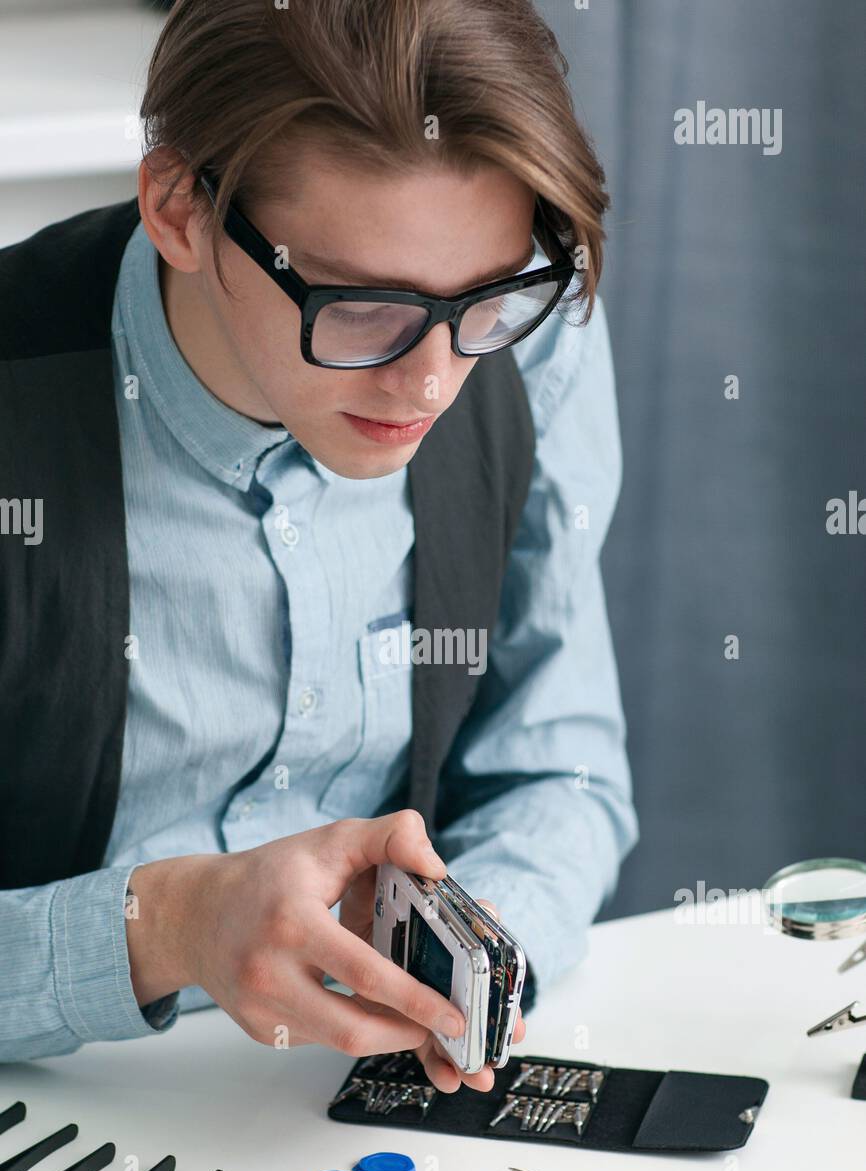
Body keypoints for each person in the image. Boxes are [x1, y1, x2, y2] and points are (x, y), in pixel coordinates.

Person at [0, 0, 638, 1090]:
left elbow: (559, 769)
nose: (432, 380)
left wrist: (469, 971)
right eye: (362, 308)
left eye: (485, 298)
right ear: (180, 209)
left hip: (345, 1121)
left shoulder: (533, 346)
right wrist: (165, 927)